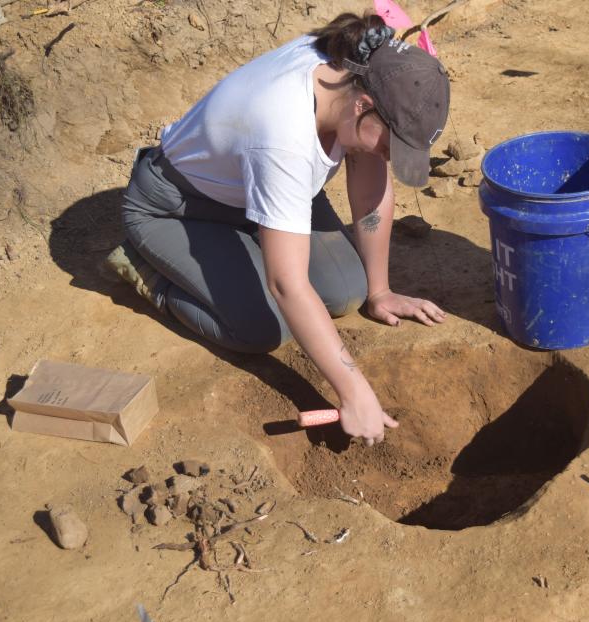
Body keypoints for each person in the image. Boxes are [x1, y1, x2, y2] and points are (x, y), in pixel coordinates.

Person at [104, 13, 450, 446]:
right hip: (177, 207)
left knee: (347, 291)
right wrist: (355, 392)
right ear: (364, 107)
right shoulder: (283, 134)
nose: (387, 155)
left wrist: (380, 291)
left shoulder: (359, 72)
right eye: (389, 143)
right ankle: (150, 270)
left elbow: (368, 185)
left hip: (258, 192)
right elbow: (286, 284)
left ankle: (256, 243)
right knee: (264, 328)